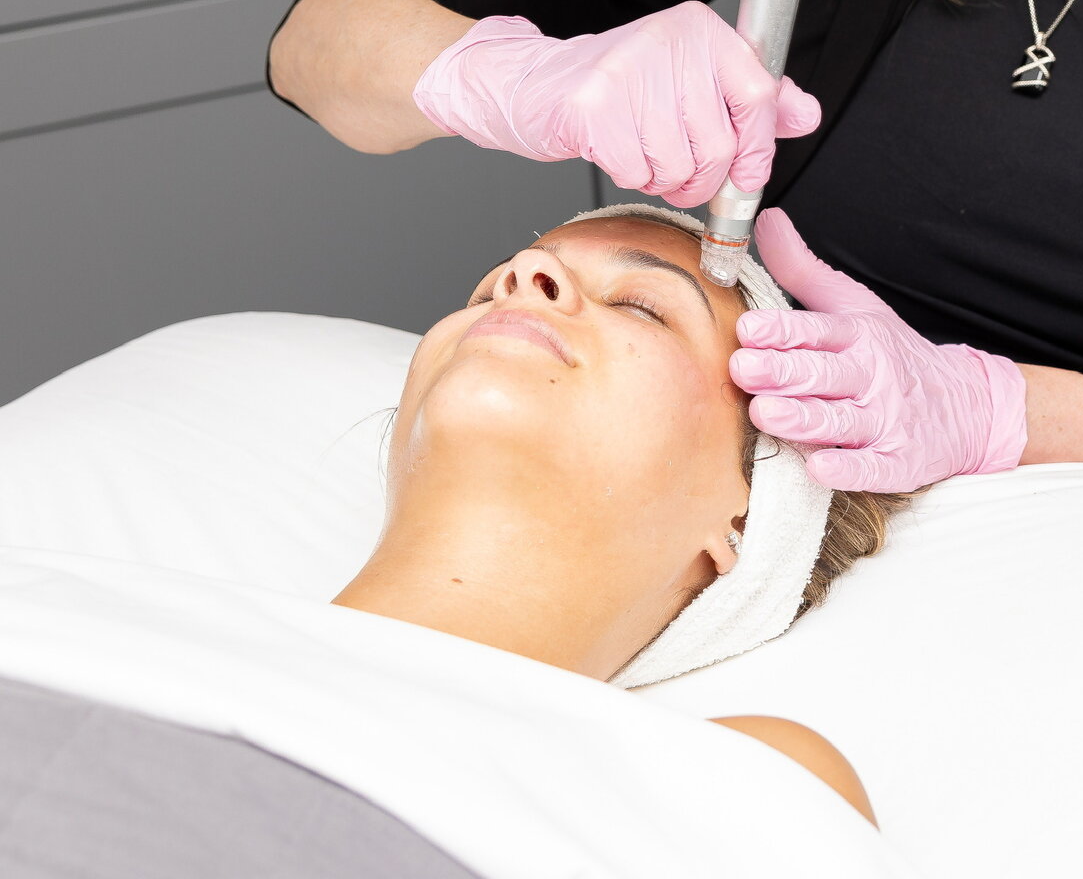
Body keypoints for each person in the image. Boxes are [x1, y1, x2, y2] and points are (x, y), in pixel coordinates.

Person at [266, 0, 1083, 495]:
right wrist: (512, 79)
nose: (526, 281)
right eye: (639, 302)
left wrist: (998, 410)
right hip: (763, 467)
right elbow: (319, 41)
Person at [330, 203, 920, 827]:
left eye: (643, 307)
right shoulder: (213, 628)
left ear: (751, 516)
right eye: (485, 292)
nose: (524, 271)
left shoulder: (723, 791)